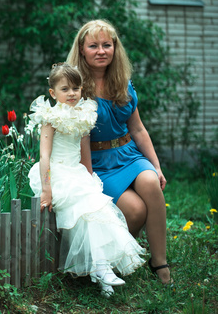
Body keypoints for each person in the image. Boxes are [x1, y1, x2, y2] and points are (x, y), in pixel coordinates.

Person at [66, 19, 172, 285]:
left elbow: (137, 129)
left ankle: (159, 262)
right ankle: (111, 259)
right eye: (93, 46)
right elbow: (80, 141)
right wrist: (89, 180)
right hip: (98, 161)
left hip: (128, 153)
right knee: (135, 211)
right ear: (82, 50)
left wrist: (156, 166)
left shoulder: (122, 81)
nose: (101, 51)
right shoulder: (75, 88)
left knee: (151, 182)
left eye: (107, 45)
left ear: (115, 47)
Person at [27, 63, 145, 297]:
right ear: (53, 93)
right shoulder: (49, 118)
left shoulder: (84, 115)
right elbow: (44, 156)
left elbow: (84, 153)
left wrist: (89, 178)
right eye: (65, 89)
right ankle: (101, 270)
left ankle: (102, 272)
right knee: (86, 211)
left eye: (76, 88)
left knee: (100, 211)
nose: (72, 93)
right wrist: (47, 190)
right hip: (56, 174)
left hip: (77, 173)